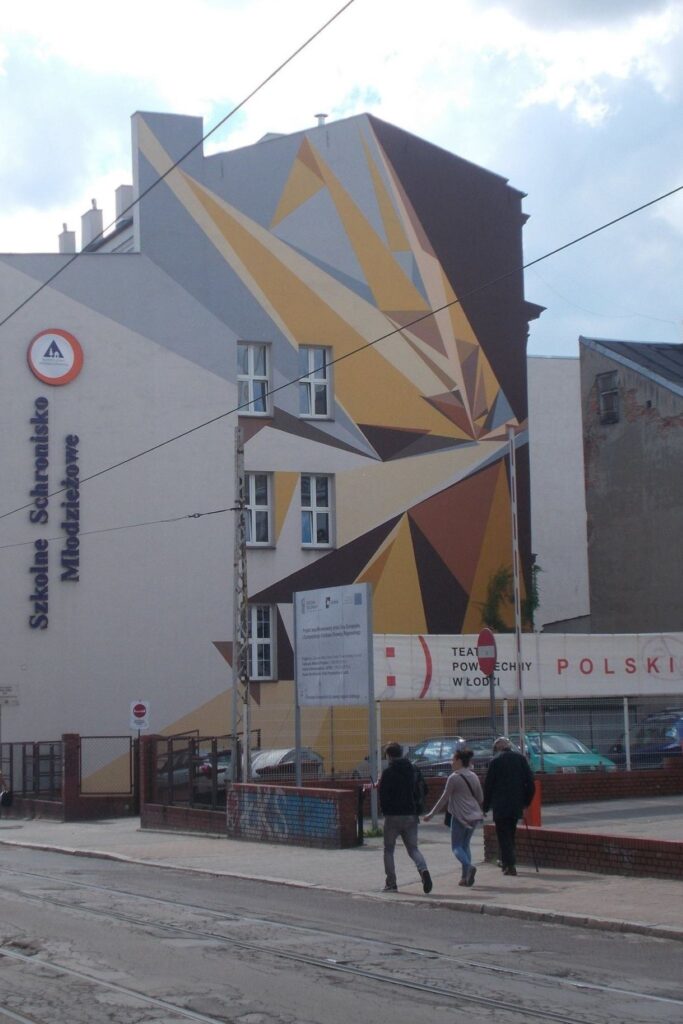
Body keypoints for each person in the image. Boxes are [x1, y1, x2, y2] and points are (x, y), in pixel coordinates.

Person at [423, 747, 483, 886]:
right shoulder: (474, 776)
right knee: (465, 845)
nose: (451, 762)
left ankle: (469, 867)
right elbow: (480, 798)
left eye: (453, 760)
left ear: (459, 761)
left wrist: (431, 814)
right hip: (474, 816)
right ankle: (465, 877)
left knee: (456, 846)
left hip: (459, 816)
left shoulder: (454, 777)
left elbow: (444, 799)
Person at [378, 741, 432, 894]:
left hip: (393, 815)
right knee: (413, 848)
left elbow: (383, 795)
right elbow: (425, 789)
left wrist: (385, 810)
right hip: (410, 814)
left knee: (389, 849)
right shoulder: (413, 769)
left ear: (389, 756)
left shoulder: (388, 772)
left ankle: (391, 884)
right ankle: (423, 869)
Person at [482, 736, 535, 876]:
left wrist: (485, 806)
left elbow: (488, 786)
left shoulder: (495, 761)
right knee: (510, 833)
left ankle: (509, 864)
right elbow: (530, 783)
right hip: (516, 803)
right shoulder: (521, 759)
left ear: (497, 748)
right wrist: (526, 801)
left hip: (500, 804)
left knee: (503, 834)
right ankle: (506, 862)